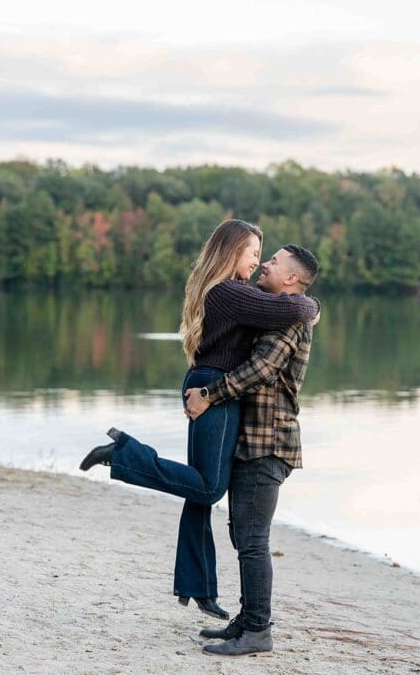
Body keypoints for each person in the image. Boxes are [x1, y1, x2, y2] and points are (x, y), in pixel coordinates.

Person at [79, 220, 318, 620]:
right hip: (213, 390)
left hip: (210, 385)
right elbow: (293, 306)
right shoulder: (231, 292)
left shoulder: (230, 291)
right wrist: (314, 305)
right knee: (208, 487)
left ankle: (198, 586)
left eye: (264, 257)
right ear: (232, 252)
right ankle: (123, 454)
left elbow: (285, 306)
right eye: (254, 253)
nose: (258, 263)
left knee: (198, 487)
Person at [179, 244, 320, 657]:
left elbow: (261, 371)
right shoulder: (281, 310)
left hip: (269, 442)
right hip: (252, 441)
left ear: (292, 278)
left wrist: (209, 393)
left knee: (254, 539)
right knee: (242, 534)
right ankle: (248, 618)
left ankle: (258, 631)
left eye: (274, 261)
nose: (266, 264)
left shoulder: (290, 320)